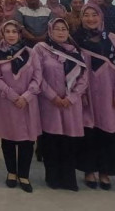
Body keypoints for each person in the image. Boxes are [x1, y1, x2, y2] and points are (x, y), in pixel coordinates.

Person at [74, 3, 115, 190]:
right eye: (86, 15)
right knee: (89, 133)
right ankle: (89, 170)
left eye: (94, 15)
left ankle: (105, 172)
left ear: (101, 17)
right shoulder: (77, 39)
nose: (90, 19)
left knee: (108, 133)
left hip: (109, 95)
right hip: (87, 94)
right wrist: (80, 93)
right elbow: (74, 69)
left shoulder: (113, 40)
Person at [35, 18, 88, 191]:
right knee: (52, 141)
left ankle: (68, 178)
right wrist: (53, 97)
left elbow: (84, 78)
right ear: (50, 31)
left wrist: (72, 97)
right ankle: (53, 177)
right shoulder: (41, 49)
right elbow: (38, 76)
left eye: (63, 28)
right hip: (50, 103)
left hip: (71, 104)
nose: (60, 32)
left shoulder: (76, 51)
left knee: (69, 142)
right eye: (56, 29)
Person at [0, 20, 42, 193]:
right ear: (3, 34)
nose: (11, 34)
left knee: (27, 141)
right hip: (7, 103)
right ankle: (11, 172)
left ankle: (24, 175)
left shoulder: (31, 53)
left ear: (20, 34)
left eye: (14, 31)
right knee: (9, 138)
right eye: (8, 31)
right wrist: (13, 96)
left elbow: (37, 76)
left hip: (27, 103)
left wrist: (27, 96)